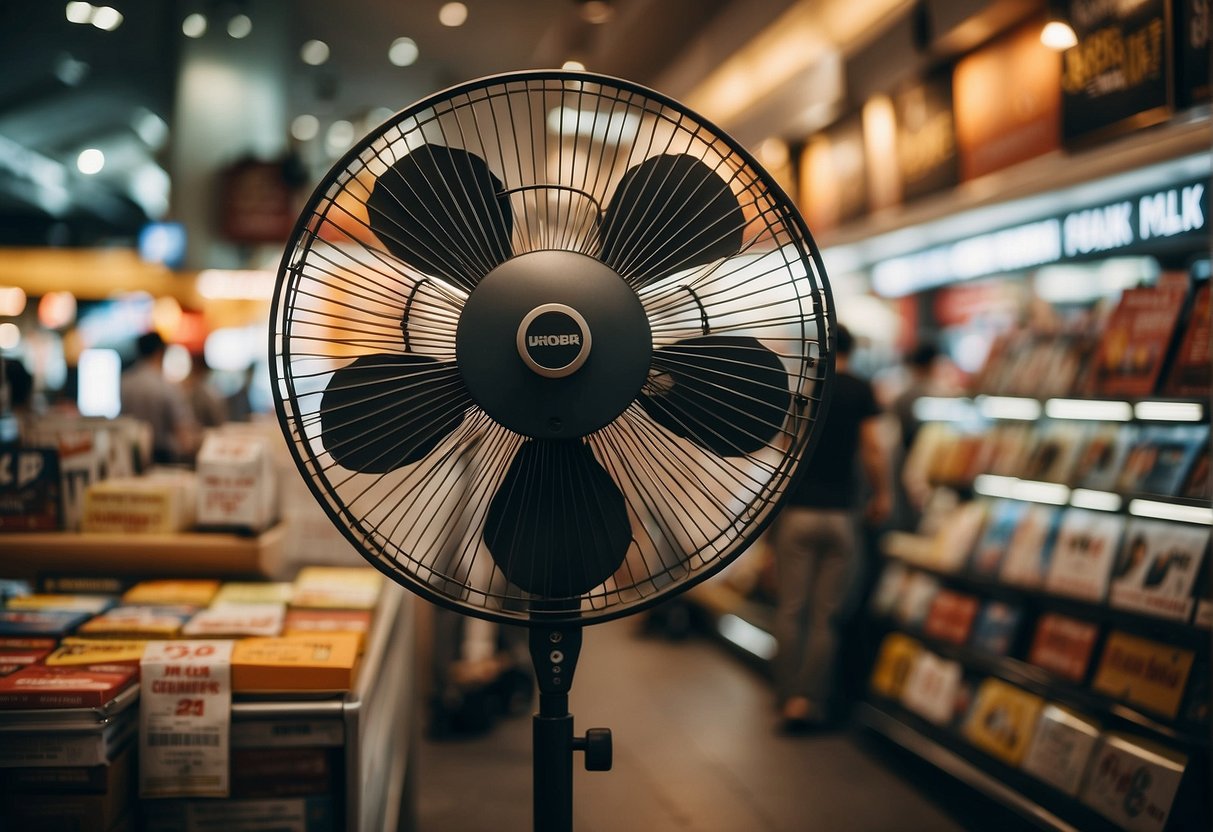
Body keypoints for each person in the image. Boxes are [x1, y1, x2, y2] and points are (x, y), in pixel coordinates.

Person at [771, 324, 891, 731]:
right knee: (825, 616)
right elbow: (873, 450)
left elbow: (786, 448)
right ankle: (809, 700)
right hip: (841, 516)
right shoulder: (861, 389)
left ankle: (786, 698)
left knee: (791, 610)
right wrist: (883, 495)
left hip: (799, 514)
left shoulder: (807, 386)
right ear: (853, 352)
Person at [120, 331, 198, 464]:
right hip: (164, 460)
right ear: (160, 353)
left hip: (129, 457)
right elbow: (184, 434)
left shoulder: (124, 382)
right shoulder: (167, 386)